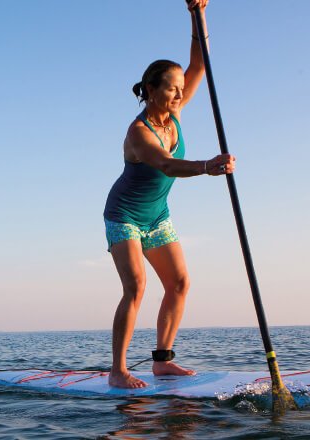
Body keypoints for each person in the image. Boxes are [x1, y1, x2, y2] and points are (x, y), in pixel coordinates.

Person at [102, 0, 234, 389]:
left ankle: (162, 361)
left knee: (179, 283)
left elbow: (199, 65)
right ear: (149, 90)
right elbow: (167, 165)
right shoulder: (139, 132)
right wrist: (208, 166)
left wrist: (198, 14)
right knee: (136, 287)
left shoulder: (174, 112)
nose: (179, 95)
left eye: (180, 89)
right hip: (123, 215)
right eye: (170, 89)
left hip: (157, 216)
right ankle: (117, 371)